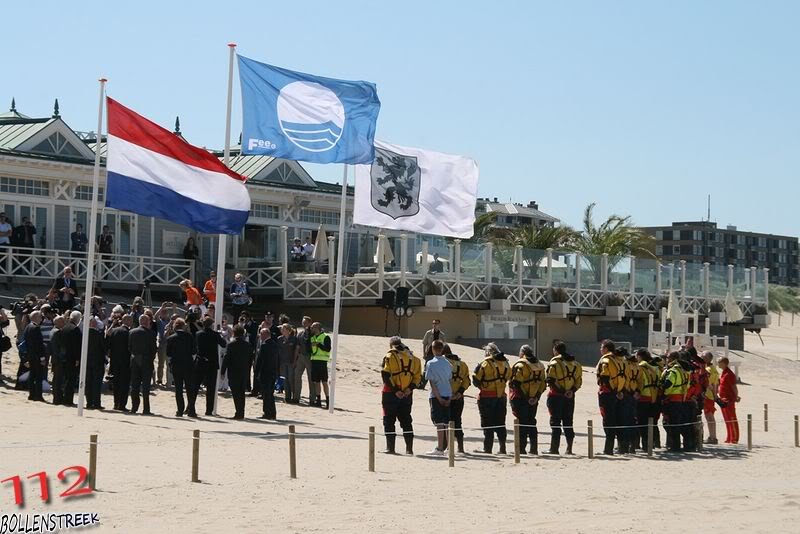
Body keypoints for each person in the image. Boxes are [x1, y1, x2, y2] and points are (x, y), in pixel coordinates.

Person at [380, 336, 422, 455]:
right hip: (407, 395)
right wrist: (409, 389)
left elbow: (385, 375)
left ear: (391, 345)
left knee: (389, 420)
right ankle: (409, 449)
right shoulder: (414, 359)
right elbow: (418, 377)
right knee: (406, 420)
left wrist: (395, 390)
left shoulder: (390, 356)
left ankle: (390, 448)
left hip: (390, 393)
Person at [472, 342, 511, 454]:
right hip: (501, 396)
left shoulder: (485, 363)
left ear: (488, 352)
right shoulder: (506, 363)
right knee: (500, 422)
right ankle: (502, 447)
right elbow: (509, 376)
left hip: (487, 396)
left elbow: (475, 378)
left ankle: (487, 448)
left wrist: (482, 386)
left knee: (487, 422)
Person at [546, 341, 582, 455]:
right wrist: (571, 391)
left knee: (555, 422)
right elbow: (579, 381)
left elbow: (550, 379)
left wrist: (562, 391)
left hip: (556, 396)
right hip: (570, 397)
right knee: (568, 422)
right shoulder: (575, 363)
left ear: (556, 350)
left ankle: (554, 448)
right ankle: (569, 449)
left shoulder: (555, 362)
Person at [509, 344, 546, 455]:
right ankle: (534, 448)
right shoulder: (540, 365)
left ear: (522, 353)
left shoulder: (521, 365)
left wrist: (526, 398)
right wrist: (536, 397)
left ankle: (521, 449)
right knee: (531, 421)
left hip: (521, 399)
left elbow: (515, 383)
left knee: (522, 423)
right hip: (534, 398)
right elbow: (543, 384)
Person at [596, 339, 626, 455]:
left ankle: (608, 449)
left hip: (607, 393)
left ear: (606, 349)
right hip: (619, 392)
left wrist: (613, 391)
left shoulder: (606, 360)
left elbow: (605, 377)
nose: (600, 349)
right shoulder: (619, 360)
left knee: (608, 420)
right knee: (617, 419)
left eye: (602, 347)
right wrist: (619, 391)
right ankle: (620, 447)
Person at [424, 340, 452, 456]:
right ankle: (449, 448)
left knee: (439, 422)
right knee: (447, 422)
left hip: (437, 395)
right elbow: (449, 380)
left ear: (433, 349)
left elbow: (432, 383)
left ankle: (440, 448)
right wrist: (449, 397)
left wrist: (439, 398)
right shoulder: (448, 363)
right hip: (447, 393)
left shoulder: (431, 363)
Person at [167, 318, 198, 417]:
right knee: (189, 388)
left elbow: (168, 353)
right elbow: (194, 351)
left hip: (176, 365)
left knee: (178, 389)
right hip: (188, 365)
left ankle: (180, 410)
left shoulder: (171, 338)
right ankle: (191, 410)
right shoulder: (190, 337)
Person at [195, 317, 226, 416]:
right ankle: (209, 410)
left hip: (201, 362)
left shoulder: (198, 334)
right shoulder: (215, 335)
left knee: (195, 386)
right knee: (211, 389)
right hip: (212, 364)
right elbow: (224, 344)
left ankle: (191, 407)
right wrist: (220, 335)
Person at [661, 351, 690, 452]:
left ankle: (675, 446)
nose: (666, 359)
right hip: (681, 399)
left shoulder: (673, 371)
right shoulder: (683, 371)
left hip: (672, 399)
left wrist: (664, 394)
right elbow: (688, 385)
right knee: (678, 423)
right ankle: (679, 445)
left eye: (668, 357)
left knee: (672, 423)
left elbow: (669, 384)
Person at [128, 314, 157, 415]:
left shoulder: (131, 332)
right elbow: (154, 349)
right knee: (146, 387)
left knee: (134, 385)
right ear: (147, 322)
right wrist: (151, 359)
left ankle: (134, 407)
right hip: (147, 361)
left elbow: (129, 347)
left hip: (135, 360)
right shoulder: (152, 334)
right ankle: (146, 408)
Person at [221, 324, 251, 419]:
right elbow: (250, 359)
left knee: (235, 393)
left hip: (233, 371)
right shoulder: (248, 345)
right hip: (244, 371)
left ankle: (238, 412)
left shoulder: (231, 345)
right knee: (242, 393)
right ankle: (241, 411)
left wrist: (223, 371)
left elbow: (226, 358)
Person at [443, 344, 470, 454]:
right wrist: (460, 392)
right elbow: (467, 381)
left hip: (445, 397)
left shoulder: (442, 363)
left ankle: (446, 446)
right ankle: (460, 447)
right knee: (457, 421)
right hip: (458, 398)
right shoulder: (462, 364)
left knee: (445, 421)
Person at [634, 348, 661, 450]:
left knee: (641, 423)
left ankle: (644, 445)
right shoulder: (656, 368)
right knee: (652, 422)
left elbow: (639, 382)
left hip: (643, 397)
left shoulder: (640, 367)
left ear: (640, 357)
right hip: (654, 397)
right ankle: (654, 443)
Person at [108, 314, 133, 411]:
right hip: (125, 362)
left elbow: (110, 346)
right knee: (124, 384)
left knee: (116, 384)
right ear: (127, 321)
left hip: (115, 362)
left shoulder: (114, 331)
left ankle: (116, 403)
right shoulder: (129, 332)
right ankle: (122, 404)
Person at [255, 328, 280, 419]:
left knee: (266, 394)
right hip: (273, 372)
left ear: (265, 335)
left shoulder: (264, 345)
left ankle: (267, 413)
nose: (260, 337)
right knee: (270, 393)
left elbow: (260, 360)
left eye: (261, 334)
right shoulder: (275, 345)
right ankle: (272, 412)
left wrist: (256, 371)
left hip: (265, 372)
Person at [22, 310, 46, 401]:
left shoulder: (28, 327)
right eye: (40, 317)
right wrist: (42, 358)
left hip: (30, 355)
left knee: (32, 376)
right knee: (38, 376)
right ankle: (38, 395)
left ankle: (31, 394)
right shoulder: (36, 328)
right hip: (36, 356)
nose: (41, 319)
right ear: (36, 317)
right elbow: (39, 345)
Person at [60, 311, 83, 407]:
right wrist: (77, 359)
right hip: (72, 358)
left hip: (64, 356)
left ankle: (64, 397)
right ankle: (68, 399)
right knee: (71, 379)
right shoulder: (75, 329)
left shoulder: (65, 327)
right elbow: (76, 346)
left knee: (65, 378)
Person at [85, 317, 107, 410]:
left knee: (88, 382)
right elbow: (104, 348)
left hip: (87, 362)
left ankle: (89, 402)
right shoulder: (98, 335)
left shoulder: (84, 334)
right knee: (97, 383)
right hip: (97, 362)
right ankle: (96, 402)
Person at [718, 356, 740, 444]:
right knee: (726, 419)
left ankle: (734, 437)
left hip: (729, 399)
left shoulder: (729, 374)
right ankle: (729, 437)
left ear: (724, 363)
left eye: (719, 362)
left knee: (731, 418)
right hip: (723, 399)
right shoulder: (723, 373)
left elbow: (734, 387)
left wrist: (736, 396)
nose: (718, 363)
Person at [309, 322, 331, 409]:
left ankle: (328, 400)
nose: (311, 329)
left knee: (324, 382)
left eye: (313, 327)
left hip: (322, 362)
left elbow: (328, 348)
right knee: (316, 382)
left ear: (317, 328)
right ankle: (318, 400)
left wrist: (319, 344)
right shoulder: (312, 338)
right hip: (314, 361)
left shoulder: (325, 336)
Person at [293, 316, 314, 404]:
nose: (304, 324)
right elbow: (297, 347)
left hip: (310, 357)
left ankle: (312, 398)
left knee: (311, 378)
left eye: (305, 322)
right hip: (301, 356)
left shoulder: (313, 333)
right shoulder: (300, 334)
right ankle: (296, 397)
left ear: (310, 323)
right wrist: (295, 359)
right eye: (303, 322)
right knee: (297, 376)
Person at [277, 323, 299, 403]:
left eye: (284, 329)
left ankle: (294, 396)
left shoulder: (294, 339)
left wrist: (295, 361)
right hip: (282, 362)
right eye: (281, 329)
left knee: (291, 379)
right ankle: (287, 396)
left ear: (288, 330)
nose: (282, 330)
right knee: (284, 379)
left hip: (290, 362)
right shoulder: (279, 339)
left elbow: (296, 350)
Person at [48, 316, 67, 404]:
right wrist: (63, 358)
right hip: (59, 359)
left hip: (54, 359)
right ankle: (58, 398)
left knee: (56, 379)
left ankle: (57, 397)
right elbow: (61, 348)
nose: (64, 323)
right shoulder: (58, 332)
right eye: (63, 321)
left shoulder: (52, 331)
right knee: (58, 380)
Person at [703, 351, 720, 444]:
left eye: (703, 356)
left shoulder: (708, 370)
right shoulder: (714, 369)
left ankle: (712, 437)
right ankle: (712, 436)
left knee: (709, 416)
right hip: (712, 396)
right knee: (710, 416)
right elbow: (716, 384)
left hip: (707, 395)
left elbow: (709, 384)